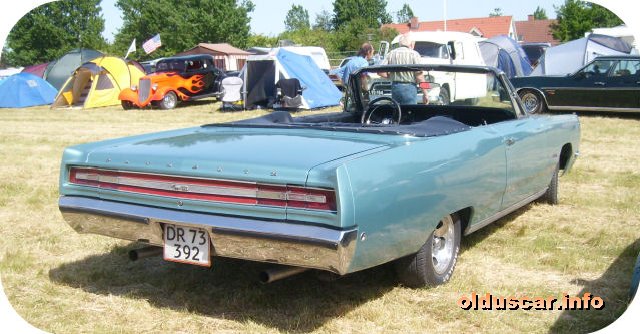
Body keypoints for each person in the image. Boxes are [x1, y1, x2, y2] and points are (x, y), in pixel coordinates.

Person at [380, 33, 429, 105]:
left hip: (395, 87)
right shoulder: (414, 54)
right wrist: (425, 93)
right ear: (412, 44)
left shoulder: (391, 53)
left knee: (398, 112)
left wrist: (391, 76)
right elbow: (420, 77)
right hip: (410, 88)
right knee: (410, 113)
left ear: (400, 44)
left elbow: (379, 71)